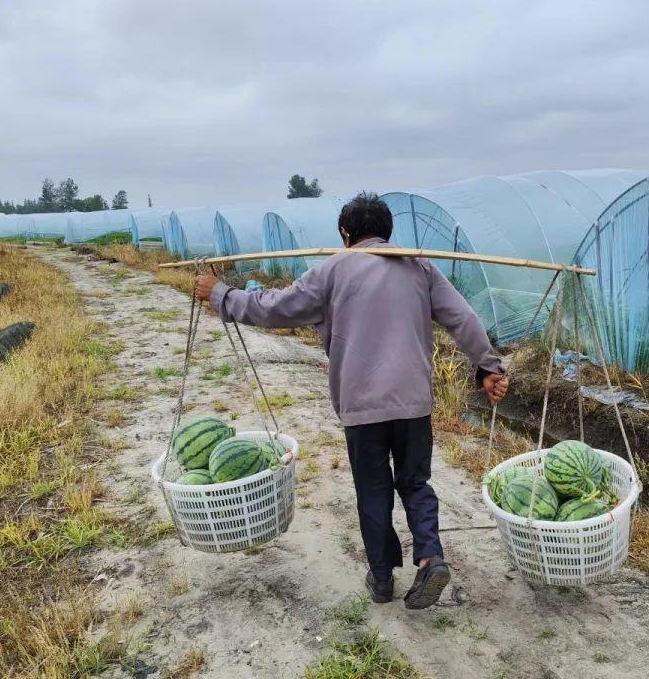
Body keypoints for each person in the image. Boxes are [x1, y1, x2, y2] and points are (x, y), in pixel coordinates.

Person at [194, 193, 508, 609]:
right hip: (414, 402)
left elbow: (276, 308)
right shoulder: (419, 265)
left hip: (362, 406)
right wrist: (488, 367)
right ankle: (431, 557)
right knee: (415, 482)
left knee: (373, 489)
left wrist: (221, 294)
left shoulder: (332, 270)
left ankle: (381, 579)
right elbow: (462, 318)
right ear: (388, 232)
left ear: (345, 233)